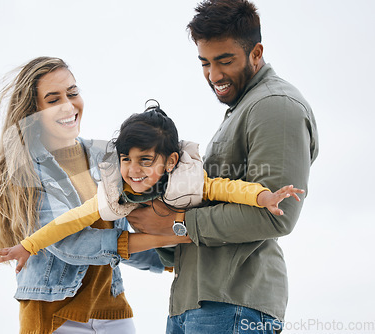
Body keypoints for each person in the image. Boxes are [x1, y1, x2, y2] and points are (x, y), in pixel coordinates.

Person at [126, 1, 319, 333]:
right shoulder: (242, 109)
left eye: (224, 61)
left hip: (233, 307)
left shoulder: (274, 107)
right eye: (205, 62)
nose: (214, 75)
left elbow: (278, 212)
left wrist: (175, 223)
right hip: (195, 303)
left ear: (256, 53)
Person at [0, 57, 181, 334]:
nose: (68, 105)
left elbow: (121, 240)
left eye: (72, 93)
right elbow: (70, 243)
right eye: (53, 100)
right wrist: (176, 236)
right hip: (54, 314)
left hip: (111, 308)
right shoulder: (27, 169)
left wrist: (174, 256)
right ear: (34, 111)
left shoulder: (106, 157)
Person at [0, 103, 304, 273]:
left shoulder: (185, 180)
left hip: (204, 235)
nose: (134, 170)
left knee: (201, 201)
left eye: (146, 160)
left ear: (170, 162)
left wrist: (264, 196)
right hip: (167, 250)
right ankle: (167, 262)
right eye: (127, 159)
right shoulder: (117, 192)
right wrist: (28, 246)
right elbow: (69, 221)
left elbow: (226, 188)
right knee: (102, 219)